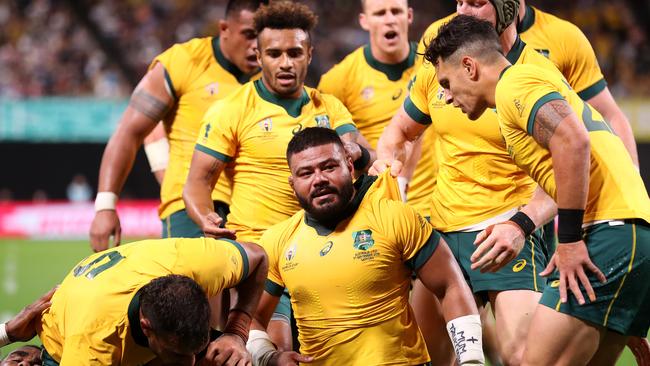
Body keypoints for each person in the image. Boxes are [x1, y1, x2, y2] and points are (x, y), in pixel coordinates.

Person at [427, 15, 650, 365]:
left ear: (469, 66)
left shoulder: (515, 84)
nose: (446, 96)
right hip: (629, 234)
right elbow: (568, 161)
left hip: (606, 234)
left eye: (446, 81)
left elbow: (574, 142)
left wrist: (571, 240)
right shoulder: (533, 81)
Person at [375, 1, 561, 364]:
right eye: (459, 1)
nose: (464, 10)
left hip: (508, 230)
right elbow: (400, 131)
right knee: (422, 357)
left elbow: (567, 167)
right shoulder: (441, 60)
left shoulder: (538, 75)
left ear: (508, 8)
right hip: (444, 231)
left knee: (524, 358)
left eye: (476, 2)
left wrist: (523, 224)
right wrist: (390, 168)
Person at [183, 1, 373, 350]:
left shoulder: (328, 107)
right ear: (259, 54)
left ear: (309, 54)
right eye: (274, 53)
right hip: (262, 260)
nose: (285, 62)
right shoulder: (232, 109)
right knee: (278, 350)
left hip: (324, 255)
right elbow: (197, 182)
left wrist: (358, 153)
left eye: (294, 52)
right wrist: (204, 216)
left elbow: (361, 152)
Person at [245, 127, 482, 366]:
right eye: (306, 173)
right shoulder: (278, 240)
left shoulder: (393, 217)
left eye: (329, 167)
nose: (319, 180)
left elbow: (450, 285)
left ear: (349, 167)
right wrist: (268, 356)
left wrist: (471, 360)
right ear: (292, 183)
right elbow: (250, 315)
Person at [89, 0, 266, 251]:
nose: (256, 46)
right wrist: (105, 206)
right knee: (190, 291)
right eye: (249, 35)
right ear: (224, 28)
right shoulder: (185, 62)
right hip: (190, 212)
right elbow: (129, 131)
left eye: (263, 37)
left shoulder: (271, 76)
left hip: (252, 214)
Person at [34, 237, 267, 365]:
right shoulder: (93, 343)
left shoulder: (196, 263)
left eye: (195, 351)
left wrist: (236, 333)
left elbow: (258, 257)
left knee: (229, 357)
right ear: (146, 327)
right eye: (178, 355)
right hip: (69, 348)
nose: (190, 363)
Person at [317, 0, 437, 217]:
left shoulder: (433, 65)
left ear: (409, 16)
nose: (389, 20)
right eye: (380, 13)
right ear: (365, 21)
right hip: (380, 208)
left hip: (437, 206)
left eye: (396, 12)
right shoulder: (338, 79)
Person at [517, 0, 639, 167]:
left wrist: (633, 178)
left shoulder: (562, 36)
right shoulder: (469, 41)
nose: (468, 9)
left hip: (547, 184)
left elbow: (607, 115)